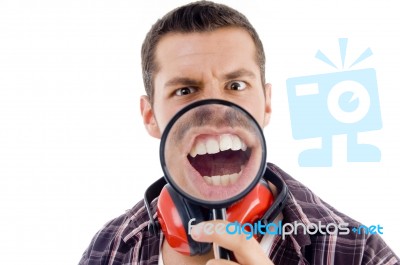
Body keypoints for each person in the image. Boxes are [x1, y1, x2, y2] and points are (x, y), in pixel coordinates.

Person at [78, 1, 399, 264]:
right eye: (185, 90)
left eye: (236, 86)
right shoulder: (109, 250)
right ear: (150, 116)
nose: (215, 111)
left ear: (267, 103)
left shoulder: (359, 253)